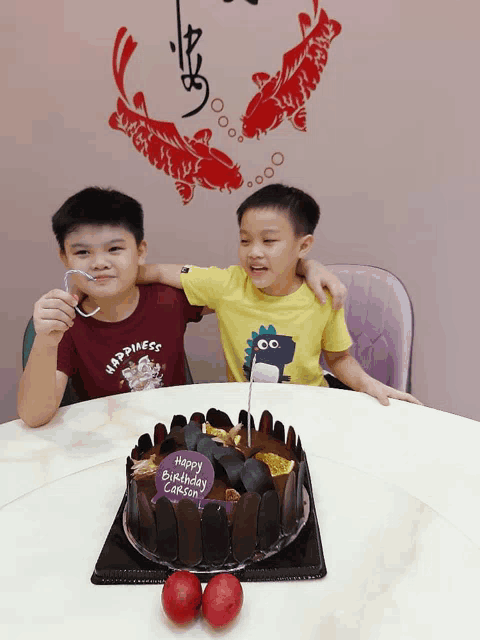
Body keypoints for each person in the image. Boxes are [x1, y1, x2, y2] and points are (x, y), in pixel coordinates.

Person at [17, 187, 347, 427]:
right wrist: (47, 339)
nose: (99, 263)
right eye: (83, 253)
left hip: (181, 438)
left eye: (114, 249)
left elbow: (249, 289)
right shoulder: (65, 323)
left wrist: (305, 265)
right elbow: (33, 416)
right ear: (64, 258)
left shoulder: (168, 298)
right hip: (109, 442)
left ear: (140, 251)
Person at [139, 183, 422, 406]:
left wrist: (367, 384)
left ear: (304, 246)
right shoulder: (227, 284)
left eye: (269, 241)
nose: (254, 252)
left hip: (311, 405)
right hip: (249, 414)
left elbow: (338, 359)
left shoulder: (322, 294)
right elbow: (161, 273)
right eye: (245, 240)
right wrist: (106, 277)